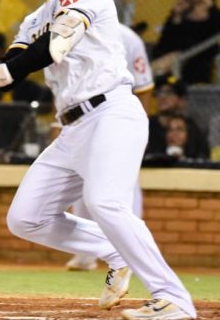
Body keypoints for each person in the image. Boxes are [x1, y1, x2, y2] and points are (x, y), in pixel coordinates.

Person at [0, 0, 196, 319]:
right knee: (26, 218)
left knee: (105, 201)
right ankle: (114, 250)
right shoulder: (36, 16)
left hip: (111, 112)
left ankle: (174, 300)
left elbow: (56, 45)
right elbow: (15, 65)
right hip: (73, 127)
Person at [65, 20, 154, 271]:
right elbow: (62, 85)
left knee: (124, 184)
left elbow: (144, 87)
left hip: (118, 115)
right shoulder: (68, 32)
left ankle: (132, 252)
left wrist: (139, 128)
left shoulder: (128, 37)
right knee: (82, 179)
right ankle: (85, 254)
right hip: (80, 117)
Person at [152, 0, 220, 84]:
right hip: (172, 64)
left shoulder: (214, 16)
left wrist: (209, 4)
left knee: (175, 58)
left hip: (198, 64)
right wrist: (177, 17)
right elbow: (164, 45)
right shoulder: (181, 13)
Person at [145, 75, 207, 159]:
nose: (162, 97)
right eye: (159, 92)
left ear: (182, 101)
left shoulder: (192, 129)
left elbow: (202, 157)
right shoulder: (146, 126)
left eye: (169, 93)